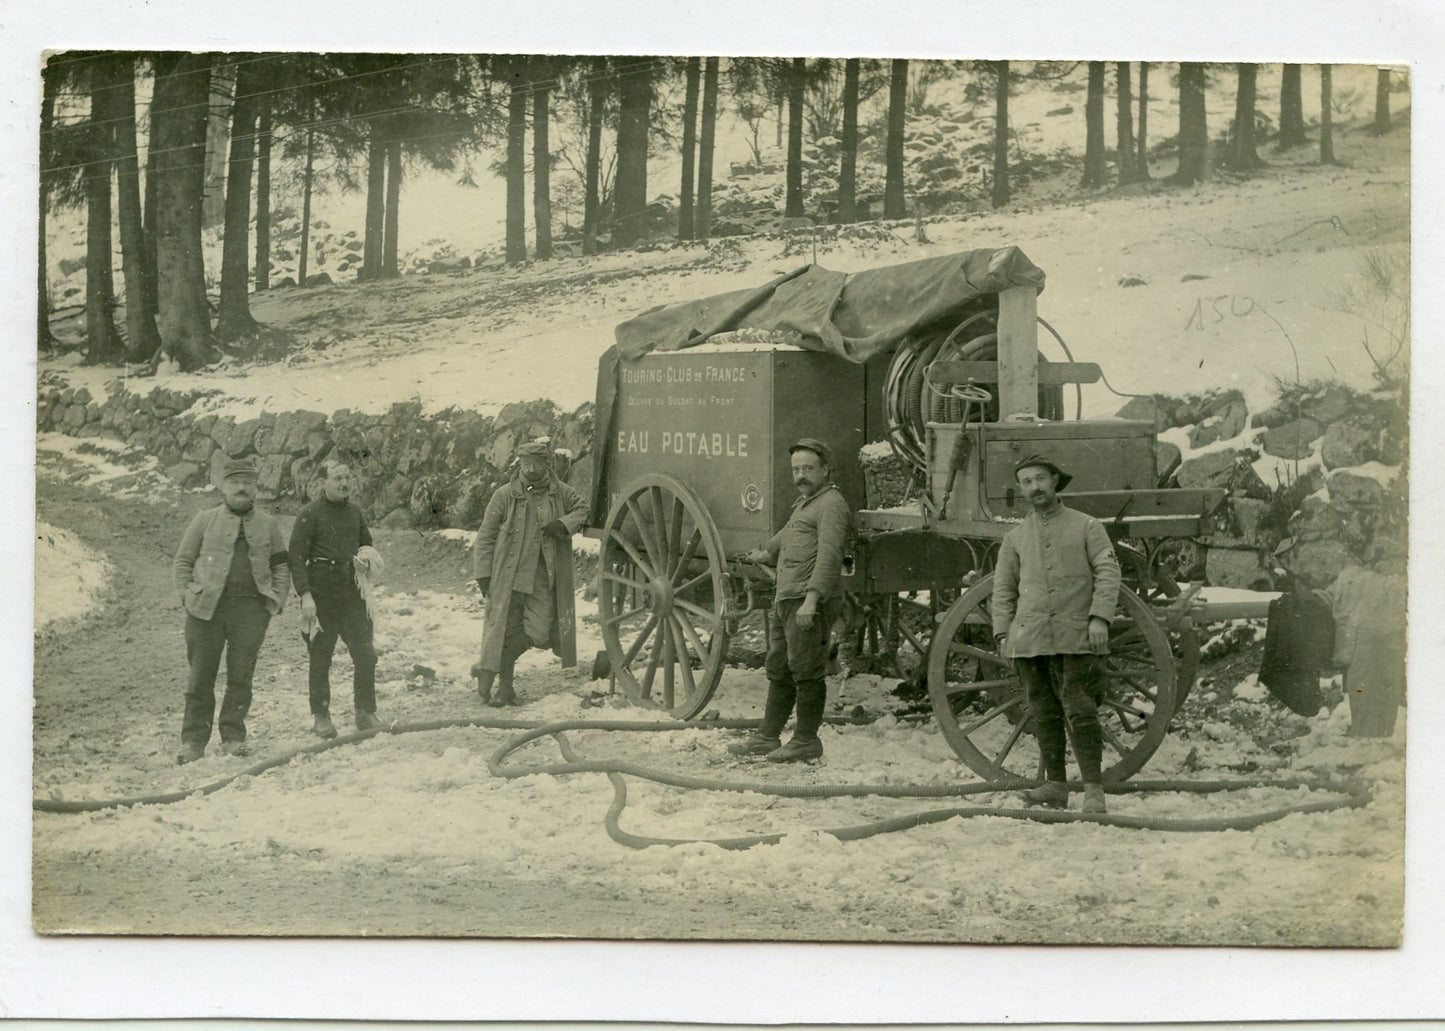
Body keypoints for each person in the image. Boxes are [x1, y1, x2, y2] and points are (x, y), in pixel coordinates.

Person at [992, 453, 1121, 813]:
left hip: (1076, 632)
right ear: (1021, 489)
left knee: (1080, 708)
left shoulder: (1086, 526)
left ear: (1054, 482)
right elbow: (1003, 590)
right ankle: (1055, 786)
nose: (1035, 487)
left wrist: (1100, 618)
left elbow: (1108, 573)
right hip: (1030, 636)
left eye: (1040, 479)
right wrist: (1003, 633)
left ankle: (1094, 790)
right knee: (1043, 710)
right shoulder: (1015, 538)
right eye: (1027, 482)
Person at [729, 437, 853, 763]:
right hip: (787, 598)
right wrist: (764, 553)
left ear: (825, 470)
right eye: (796, 469)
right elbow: (787, 534)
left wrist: (812, 601)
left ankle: (806, 741)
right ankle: (767, 737)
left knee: (807, 670)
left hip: (806, 600)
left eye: (808, 469)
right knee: (780, 668)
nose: (800, 475)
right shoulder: (806, 504)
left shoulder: (832, 505)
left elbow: (829, 557)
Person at [172, 457, 291, 764]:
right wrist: (187, 594)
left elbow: (280, 565)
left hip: (250, 612)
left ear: (255, 488)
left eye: (247, 483)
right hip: (205, 611)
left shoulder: (268, 524)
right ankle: (194, 741)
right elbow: (183, 561)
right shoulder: (204, 519)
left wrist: (276, 599)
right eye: (235, 482)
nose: (241, 488)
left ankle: (233, 737)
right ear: (223, 486)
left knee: (241, 677)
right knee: (200, 678)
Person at [470, 440, 587, 706]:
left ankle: (488, 669)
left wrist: (563, 524)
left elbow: (583, 509)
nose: (531, 469)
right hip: (507, 577)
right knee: (506, 630)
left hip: (542, 577)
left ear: (547, 464)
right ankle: (504, 688)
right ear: (519, 464)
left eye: (537, 464)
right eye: (526, 464)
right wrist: (483, 575)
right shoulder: (504, 495)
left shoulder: (560, 493)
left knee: (538, 632)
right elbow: (485, 537)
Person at [289, 461, 382, 737]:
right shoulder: (309, 514)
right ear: (323, 483)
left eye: (347, 478)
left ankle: (365, 713)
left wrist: (365, 562)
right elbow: (295, 558)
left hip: (352, 593)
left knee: (366, 654)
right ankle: (321, 716)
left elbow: (367, 545)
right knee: (321, 657)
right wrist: (306, 595)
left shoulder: (355, 513)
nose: (344, 484)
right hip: (321, 593)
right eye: (337, 478)